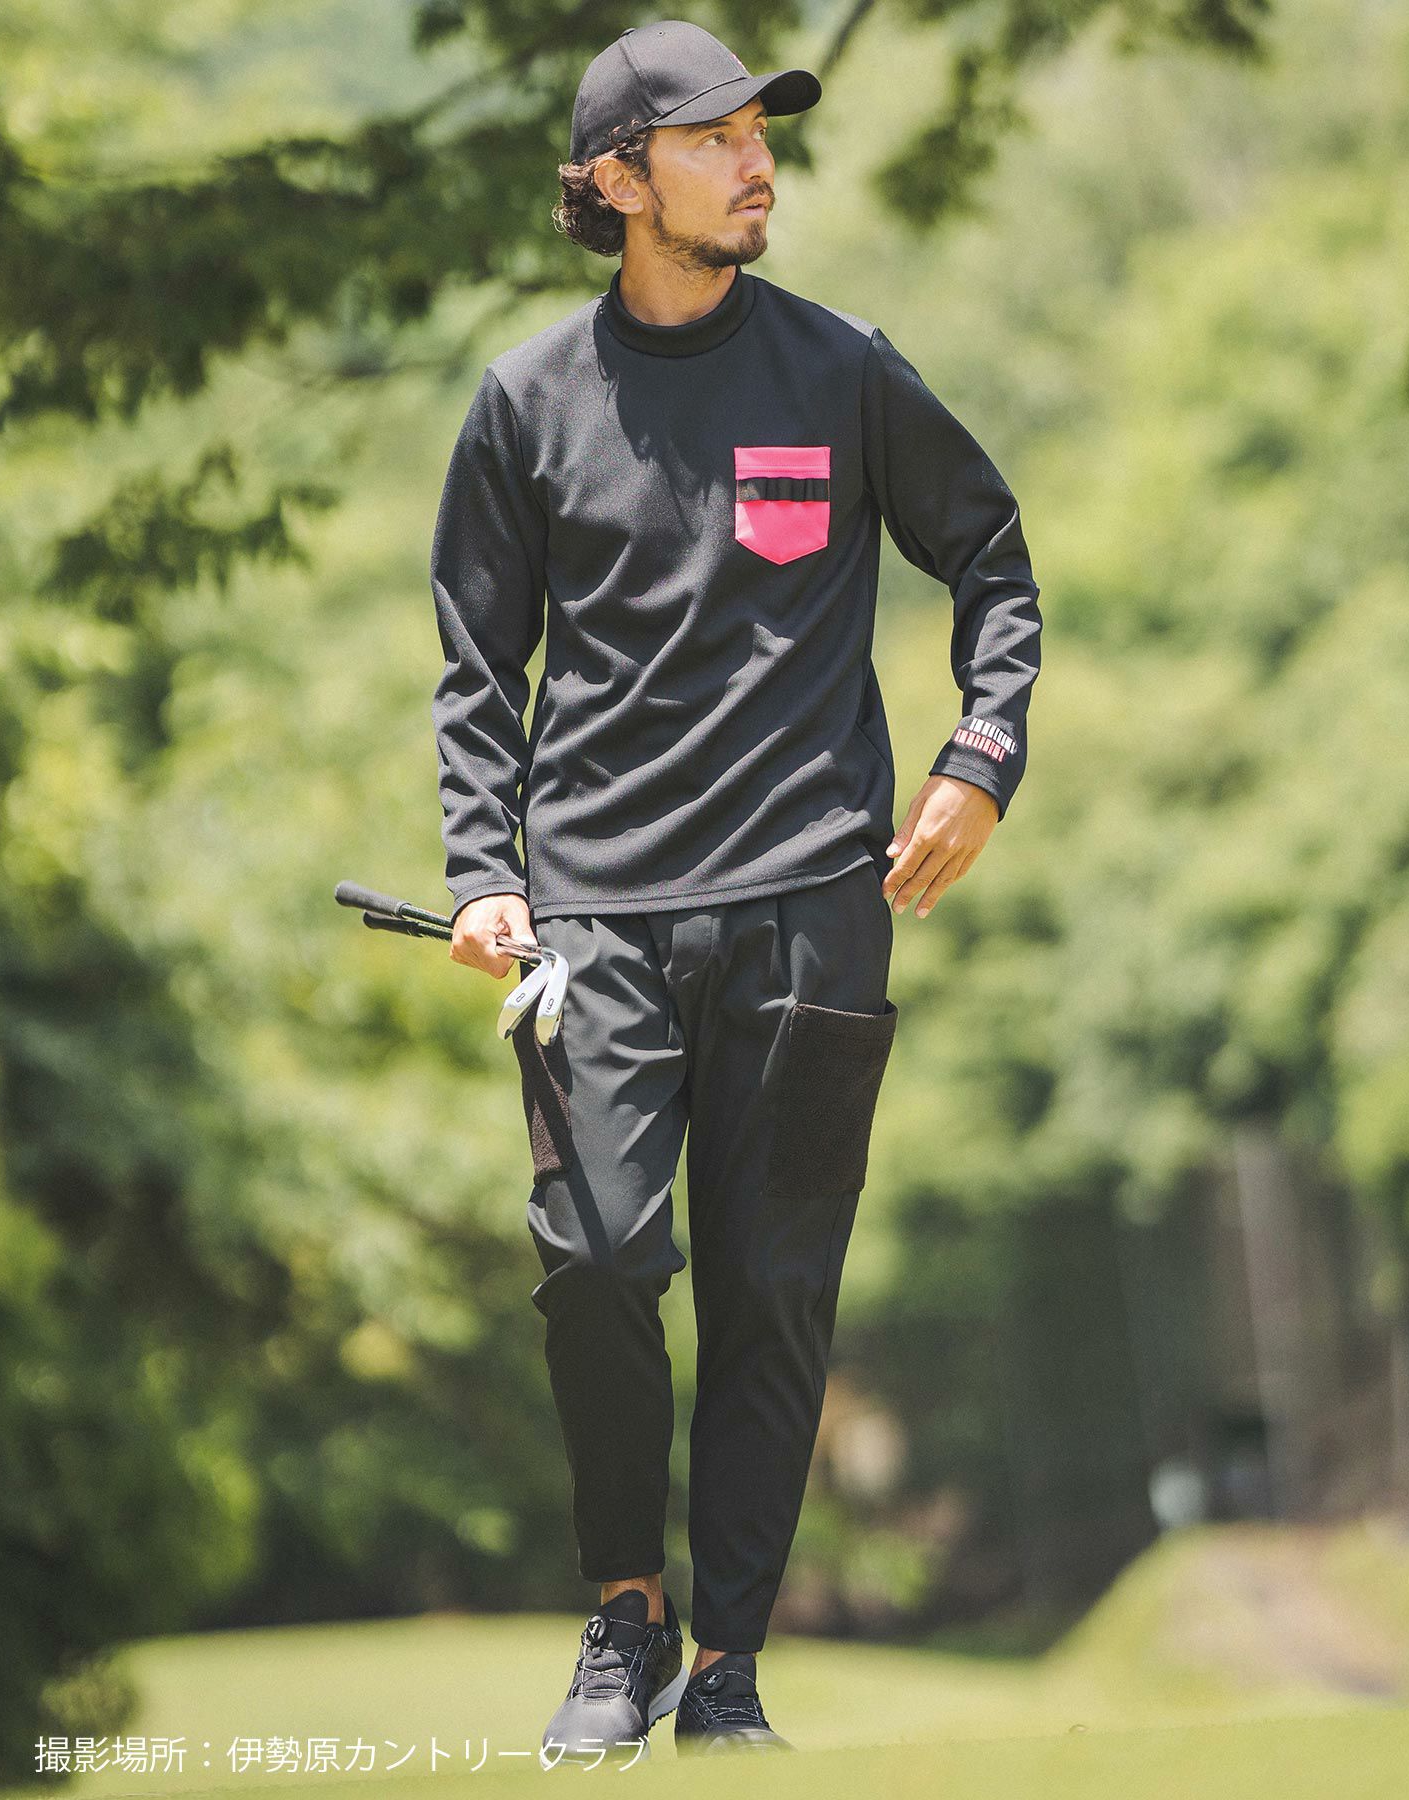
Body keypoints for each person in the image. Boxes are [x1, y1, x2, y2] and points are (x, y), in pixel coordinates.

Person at [428, 18, 1042, 1760]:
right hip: (593, 921)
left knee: (776, 1294)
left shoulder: (845, 371)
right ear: (619, 181)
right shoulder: (525, 405)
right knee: (598, 1258)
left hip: (812, 912)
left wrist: (979, 756)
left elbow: (994, 563)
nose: (757, 160)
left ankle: (729, 1673)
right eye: (713, 140)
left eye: (762, 133)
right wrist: (482, 872)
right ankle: (625, 1615)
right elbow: (476, 672)